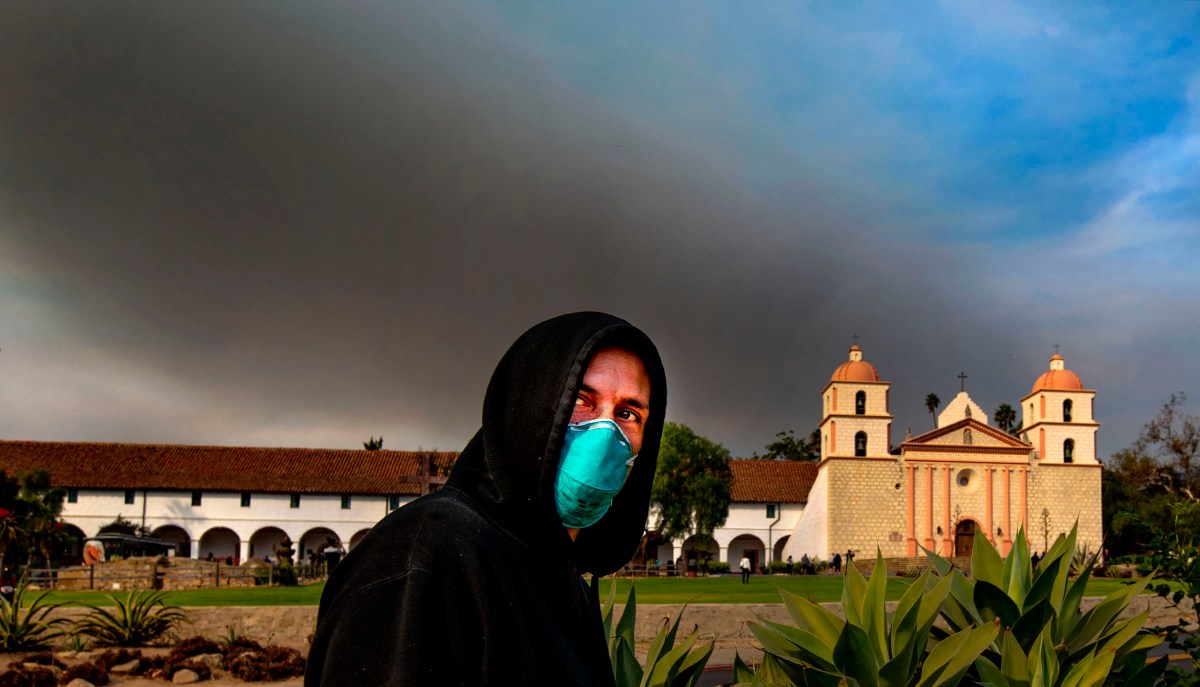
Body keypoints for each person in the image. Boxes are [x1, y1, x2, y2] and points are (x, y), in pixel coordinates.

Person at [307, 312, 666, 686]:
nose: (605, 432)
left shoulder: (565, 577)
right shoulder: (424, 554)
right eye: (579, 400)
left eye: (628, 413)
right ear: (528, 406)